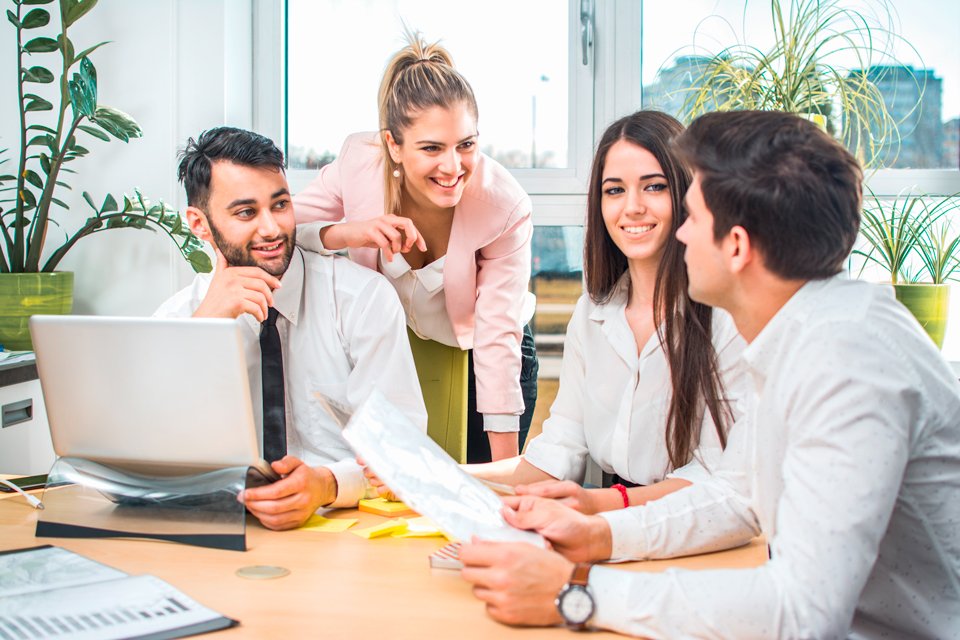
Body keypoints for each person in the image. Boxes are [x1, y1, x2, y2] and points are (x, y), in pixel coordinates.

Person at [459, 111, 960, 638]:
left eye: (691, 216)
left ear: (737, 246)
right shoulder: (798, 334)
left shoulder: (846, 357)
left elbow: (801, 612)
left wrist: (576, 594)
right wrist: (598, 536)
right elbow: (735, 498)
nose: (679, 231)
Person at [467, 110, 746, 514]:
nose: (631, 208)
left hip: (695, 527)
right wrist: (441, 472)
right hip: (610, 518)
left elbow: (718, 477)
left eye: (654, 187)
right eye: (614, 191)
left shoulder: (726, 316)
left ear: (688, 195)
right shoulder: (591, 314)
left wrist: (600, 505)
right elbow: (560, 449)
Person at [155, 126, 427, 531]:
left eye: (280, 205)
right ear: (199, 223)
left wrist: (329, 484)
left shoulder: (361, 299)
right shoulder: (179, 320)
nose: (271, 229)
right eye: (246, 213)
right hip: (218, 532)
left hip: (343, 532)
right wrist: (203, 332)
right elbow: (153, 457)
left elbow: (401, 451)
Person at [293, 31, 537, 463]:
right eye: (431, 148)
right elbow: (281, 227)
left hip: (487, 358)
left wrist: (506, 476)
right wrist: (348, 233)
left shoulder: (505, 206)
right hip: (397, 356)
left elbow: (497, 338)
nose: (452, 166)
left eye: (467, 145)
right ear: (393, 145)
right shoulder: (359, 161)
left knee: (479, 499)